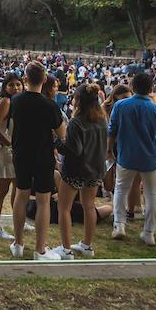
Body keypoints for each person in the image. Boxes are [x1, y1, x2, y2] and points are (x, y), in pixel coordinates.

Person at [9, 61, 66, 261]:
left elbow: (12, 125)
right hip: (42, 154)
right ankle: (40, 249)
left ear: (25, 79)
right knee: (43, 200)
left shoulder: (15, 101)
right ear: (44, 79)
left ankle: (18, 243)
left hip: (21, 152)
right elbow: (62, 133)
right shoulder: (49, 105)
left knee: (21, 195)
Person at [109, 72, 156, 245]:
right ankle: (149, 232)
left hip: (126, 156)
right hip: (150, 158)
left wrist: (108, 150)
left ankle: (119, 225)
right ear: (151, 89)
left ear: (132, 87)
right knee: (151, 195)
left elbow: (111, 130)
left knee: (120, 189)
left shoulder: (120, 106)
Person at [54, 84, 108, 259]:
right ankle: (87, 244)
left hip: (76, 171)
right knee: (89, 206)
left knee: (64, 208)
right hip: (95, 170)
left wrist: (56, 142)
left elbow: (73, 149)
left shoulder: (76, 123)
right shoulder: (102, 120)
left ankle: (66, 248)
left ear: (78, 101)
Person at [0, 73, 22, 240]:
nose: (15, 88)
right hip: (5, 151)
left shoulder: (16, 102)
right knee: (1, 190)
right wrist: (10, 144)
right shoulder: (6, 101)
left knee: (18, 186)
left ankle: (19, 222)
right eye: (11, 85)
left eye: (18, 84)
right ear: (5, 87)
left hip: (12, 150)